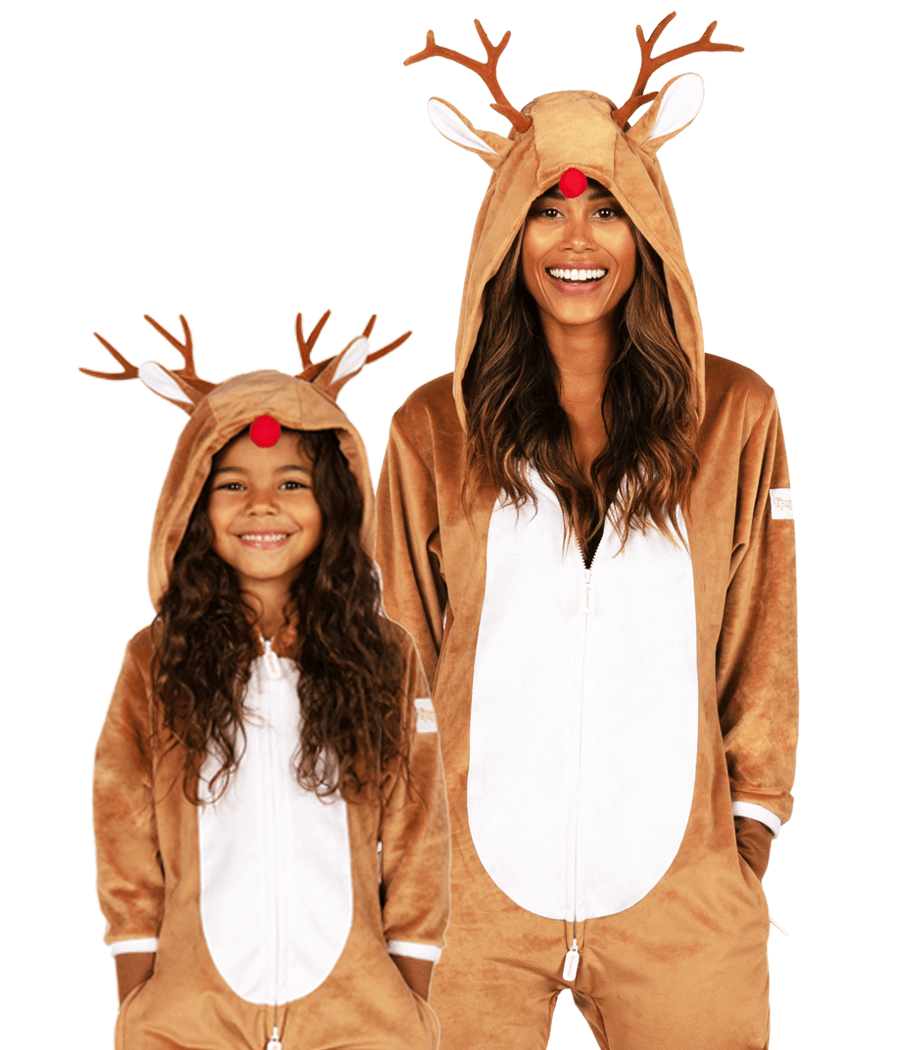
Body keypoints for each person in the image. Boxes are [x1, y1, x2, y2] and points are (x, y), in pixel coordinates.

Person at [376, 18, 797, 1050]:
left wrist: (747, 831)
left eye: (607, 209)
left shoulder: (736, 415)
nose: (577, 241)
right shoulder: (432, 429)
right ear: (505, 235)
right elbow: (396, 648)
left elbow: (764, 634)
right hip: (466, 899)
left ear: (647, 230)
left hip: (683, 897)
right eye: (547, 211)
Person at [88, 314, 449, 1050]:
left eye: (292, 482)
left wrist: (408, 990)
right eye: (232, 484)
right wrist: (140, 990)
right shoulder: (156, 658)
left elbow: (418, 823)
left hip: (359, 1011)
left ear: (334, 501)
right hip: (190, 1011)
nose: (262, 505)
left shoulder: (386, 655)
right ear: (193, 504)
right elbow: (122, 818)